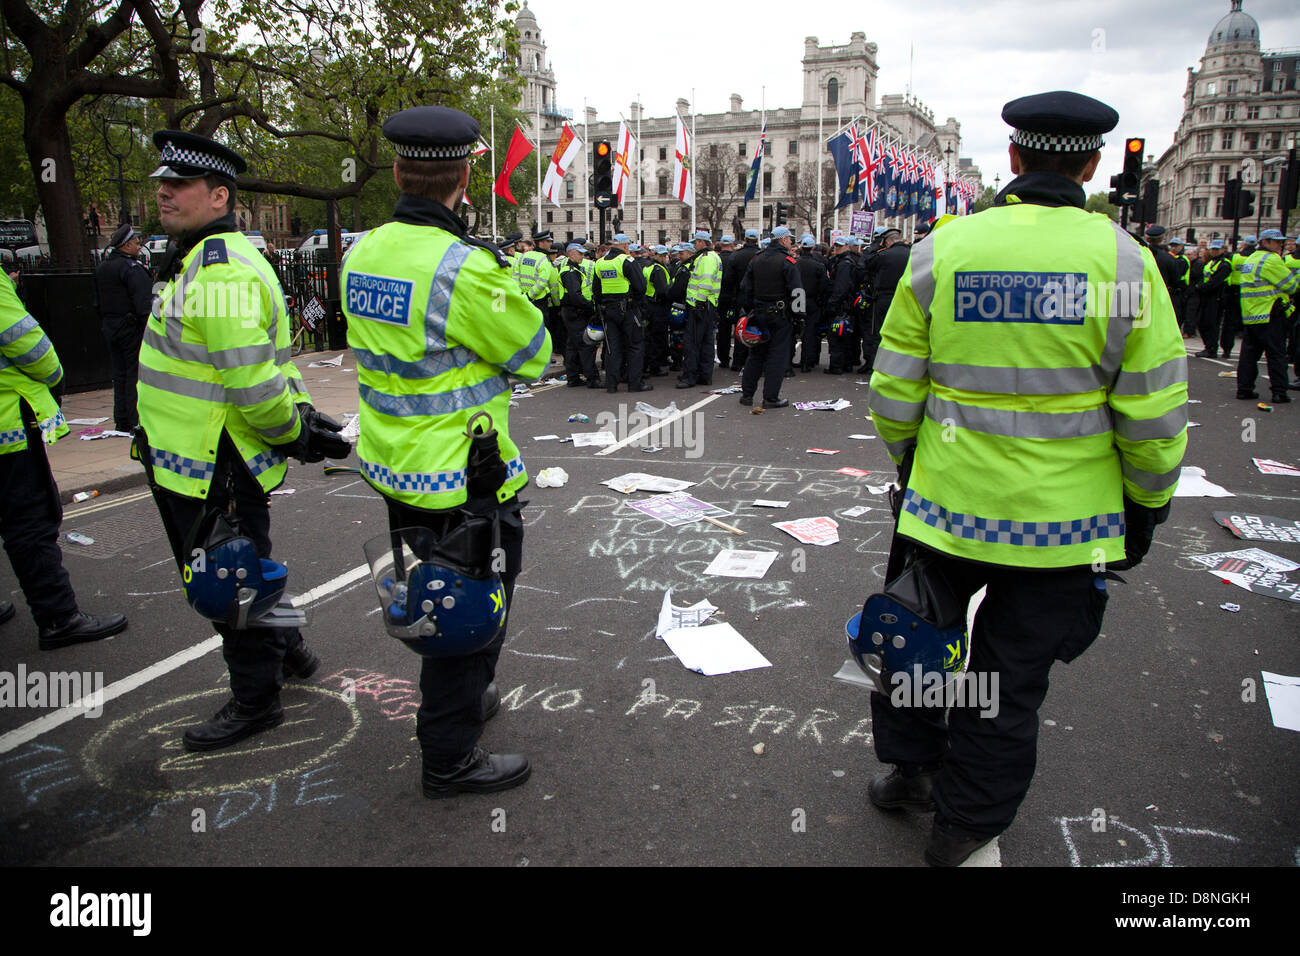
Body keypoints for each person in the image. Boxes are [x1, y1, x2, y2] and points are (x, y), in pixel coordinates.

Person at [865, 91, 1187, 866]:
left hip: (945, 508)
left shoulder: (944, 250)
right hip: (1064, 528)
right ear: (1093, 163)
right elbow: (1154, 413)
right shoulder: (1124, 261)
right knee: (1006, 688)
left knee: (921, 646)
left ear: (1013, 158)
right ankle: (966, 831)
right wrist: (1146, 507)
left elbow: (893, 390)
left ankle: (913, 771)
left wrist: (912, 464)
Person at [344, 105, 550, 797]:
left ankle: (470, 702)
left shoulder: (362, 251)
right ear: (464, 177)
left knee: (433, 594)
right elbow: (533, 354)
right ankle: (449, 757)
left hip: (393, 463)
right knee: (466, 605)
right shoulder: (464, 267)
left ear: (399, 172)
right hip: (462, 472)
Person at [137, 129, 343, 751]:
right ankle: (289, 651)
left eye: (179, 185)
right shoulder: (199, 258)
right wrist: (300, 425)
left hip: (212, 465)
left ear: (219, 195)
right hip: (192, 458)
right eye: (162, 184)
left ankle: (255, 704)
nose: (165, 193)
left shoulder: (220, 270)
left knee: (228, 581)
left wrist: (295, 433)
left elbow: (252, 380)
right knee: (242, 567)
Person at [0, 273, 128, 649]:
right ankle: (58, 617)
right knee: (30, 518)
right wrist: (55, 376)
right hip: (6, 424)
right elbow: (29, 345)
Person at [94, 223, 152, 433]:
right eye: (136, 243)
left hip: (110, 326)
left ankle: (121, 419)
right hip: (131, 327)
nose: (139, 247)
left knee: (118, 374)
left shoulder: (103, 268)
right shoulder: (131, 268)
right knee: (133, 373)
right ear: (126, 245)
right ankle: (133, 418)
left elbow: (98, 301)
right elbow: (144, 302)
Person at [736, 225, 803, 408]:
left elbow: (745, 288)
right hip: (779, 315)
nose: (791, 242)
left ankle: (747, 395)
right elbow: (797, 291)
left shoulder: (756, 260)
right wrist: (799, 316)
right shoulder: (787, 261)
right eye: (789, 239)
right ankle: (770, 398)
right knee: (777, 356)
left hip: (758, 313)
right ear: (782, 240)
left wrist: (751, 309)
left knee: (756, 354)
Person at [1234, 228, 1299, 404]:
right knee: (1276, 355)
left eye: (1280, 242)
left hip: (1251, 314)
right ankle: (1279, 392)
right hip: (1270, 314)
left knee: (1249, 355)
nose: (1279, 245)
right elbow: (1291, 285)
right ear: (1264, 242)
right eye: (1276, 241)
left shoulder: (1251, 259)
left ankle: (1244, 389)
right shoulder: (1271, 260)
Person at [593, 233, 650, 393]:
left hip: (609, 311)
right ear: (625, 246)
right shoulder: (627, 261)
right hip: (628, 310)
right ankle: (635, 384)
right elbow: (640, 287)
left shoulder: (600, 263)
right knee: (635, 346)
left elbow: (596, 291)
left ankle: (611, 384)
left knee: (613, 348)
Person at [676, 230, 722, 388]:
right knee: (706, 342)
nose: (694, 244)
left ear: (703, 242)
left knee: (692, 343)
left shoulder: (707, 259)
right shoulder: (710, 257)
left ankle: (690, 376)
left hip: (700, 305)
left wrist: (699, 303)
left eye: (696, 242)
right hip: (707, 305)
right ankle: (704, 375)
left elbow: (706, 282)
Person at [861, 228, 909, 375]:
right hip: (906, 298)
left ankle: (877, 366)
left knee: (879, 332)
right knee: (904, 333)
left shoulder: (883, 255)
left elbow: (866, 264)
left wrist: (876, 245)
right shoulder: (913, 253)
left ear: (887, 242)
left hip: (884, 297)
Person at [795, 233, 828, 372]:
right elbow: (824, 285)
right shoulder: (818, 266)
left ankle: (793, 361)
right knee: (809, 332)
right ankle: (806, 362)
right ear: (813, 248)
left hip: (797, 299)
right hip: (812, 300)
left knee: (794, 330)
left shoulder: (795, 264)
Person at [1195, 239, 1232, 357]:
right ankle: (1208, 346)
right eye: (1212, 249)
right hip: (1206, 296)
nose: (1214, 251)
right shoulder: (1210, 263)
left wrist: (1201, 287)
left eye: (1217, 249)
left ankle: (1211, 349)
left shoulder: (1225, 264)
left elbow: (1216, 282)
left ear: (1222, 249)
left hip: (1217, 297)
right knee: (1202, 322)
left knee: (1211, 324)